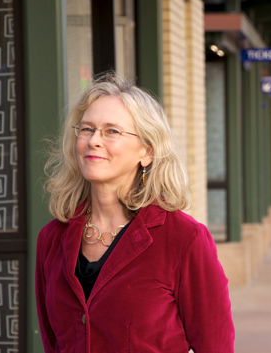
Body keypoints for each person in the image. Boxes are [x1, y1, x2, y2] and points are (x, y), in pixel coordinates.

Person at [35, 73, 234, 352]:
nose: (94, 140)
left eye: (111, 131)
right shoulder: (52, 239)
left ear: (147, 151)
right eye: (87, 129)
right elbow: (53, 343)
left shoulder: (184, 239)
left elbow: (216, 346)